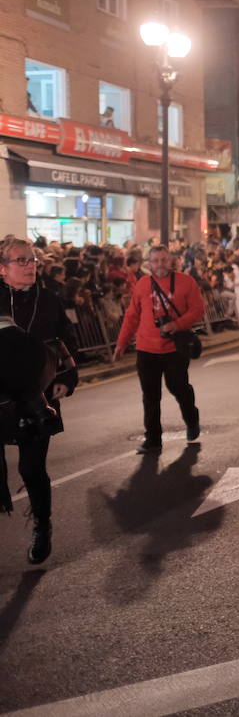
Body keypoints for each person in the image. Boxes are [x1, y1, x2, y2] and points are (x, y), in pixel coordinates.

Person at [1, 236, 78, 564]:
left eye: (32, 260)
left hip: (38, 395)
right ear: (2, 268)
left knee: (32, 468)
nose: (30, 265)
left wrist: (64, 377)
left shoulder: (48, 299)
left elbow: (65, 341)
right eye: (21, 261)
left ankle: (42, 525)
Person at [114, 245, 205, 454]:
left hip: (174, 348)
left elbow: (198, 309)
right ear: (149, 263)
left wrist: (177, 324)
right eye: (155, 261)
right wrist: (121, 342)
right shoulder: (143, 284)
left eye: (164, 260)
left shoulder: (186, 282)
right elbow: (132, 316)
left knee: (178, 388)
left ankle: (191, 418)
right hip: (146, 349)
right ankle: (153, 439)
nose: (160, 264)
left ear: (171, 260)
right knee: (150, 396)